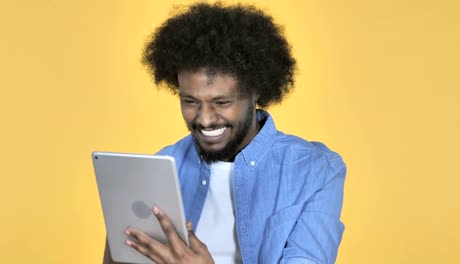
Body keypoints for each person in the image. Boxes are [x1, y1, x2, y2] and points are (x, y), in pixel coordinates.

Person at [103, 2, 346, 264]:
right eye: (190, 101)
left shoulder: (314, 170)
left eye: (222, 103)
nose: (205, 119)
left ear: (256, 93)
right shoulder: (161, 166)